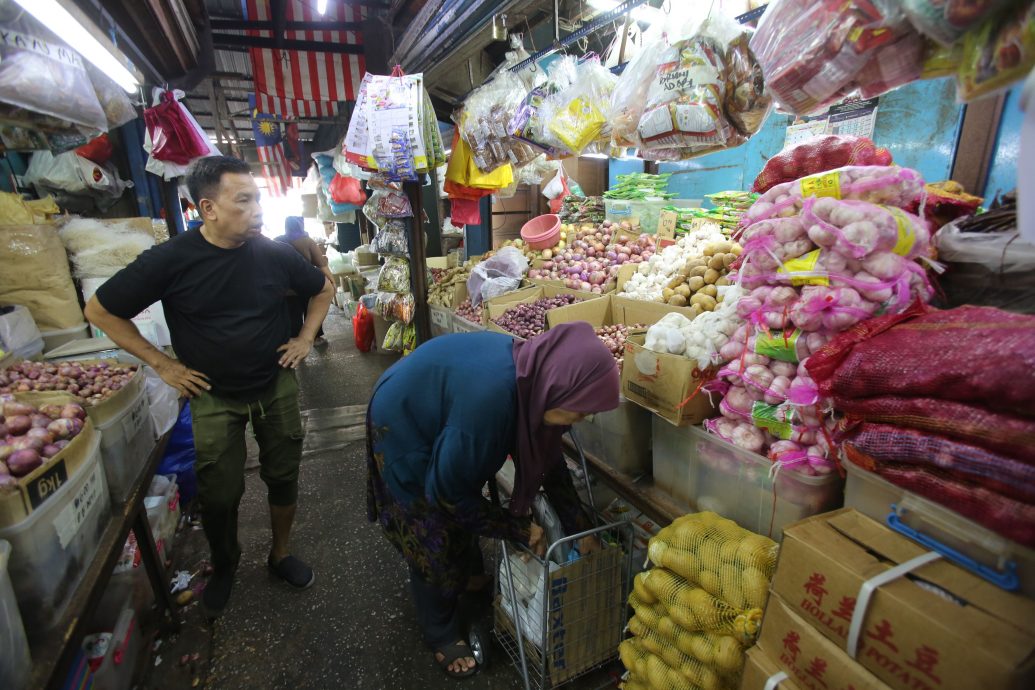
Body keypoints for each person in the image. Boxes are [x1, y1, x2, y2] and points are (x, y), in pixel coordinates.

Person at [84, 156, 334, 617]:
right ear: (208, 208)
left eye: (258, 198)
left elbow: (323, 288)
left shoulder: (273, 253)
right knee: (219, 492)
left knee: (284, 475)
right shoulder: (171, 259)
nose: (257, 209)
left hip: (274, 384)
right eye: (244, 200)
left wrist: (304, 338)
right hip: (212, 395)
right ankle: (225, 564)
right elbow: (100, 311)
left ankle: (279, 554)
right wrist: (163, 364)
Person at [366, 322, 620, 678]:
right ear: (558, 388)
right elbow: (447, 494)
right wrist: (516, 527)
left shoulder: (537, 379)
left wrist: (582, 530)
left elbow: (551, 465)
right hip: (403, 419)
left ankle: (466, 575)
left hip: (445, 408)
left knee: (465, 490)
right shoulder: (490, 406)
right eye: (577, 411)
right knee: (428, 527)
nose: (578, 421)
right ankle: (440, 629)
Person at [276, 216, 333, 344]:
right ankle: (316, 337)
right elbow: (322, 265)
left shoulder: (277, 241)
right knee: (312, 311)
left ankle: (293, 342)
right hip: (307, 285)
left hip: (287, 289)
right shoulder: (307, 241)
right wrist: (332, 282)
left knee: (292, 315)